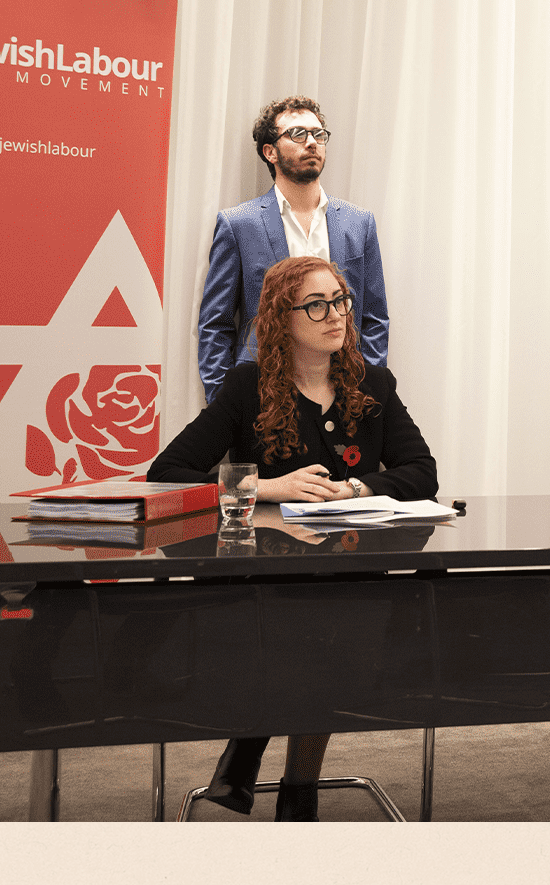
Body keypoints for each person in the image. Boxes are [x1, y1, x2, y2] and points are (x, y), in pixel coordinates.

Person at [151, 255, 438, 821]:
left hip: (353, 575)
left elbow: (422, 472)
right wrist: (268, 486)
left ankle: (250, 757)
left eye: (341, 300)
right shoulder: (247, 386)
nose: (336, 315)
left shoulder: (372, 384)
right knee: (309, 635)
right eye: (317, 304)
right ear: (282, 318)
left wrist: (356, 486)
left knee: (335, 626)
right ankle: (296, 789)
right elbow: (168, 472)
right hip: (268, 576)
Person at [197, 94, 390, 404]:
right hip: (263, 392)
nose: (311, 142)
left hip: (342, 391)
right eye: (298, 134)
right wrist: (223, 403)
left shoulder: (359, 222)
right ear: (270, 152)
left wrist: (366, 388)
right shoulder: (239, 224)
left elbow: (374, 318)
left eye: (318, 134)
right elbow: (216, 324)